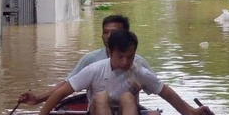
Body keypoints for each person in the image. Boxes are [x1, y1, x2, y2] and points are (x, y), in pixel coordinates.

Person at [27, 29, 211, 115]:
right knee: (100, 97)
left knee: (127, 97)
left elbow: (168, 94)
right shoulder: (95, 69)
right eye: (120, 56)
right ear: (110, 52)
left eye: (129, 57)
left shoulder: (139, 71)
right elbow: (61, 93)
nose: (125, 62)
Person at [18, 14, 149, 106]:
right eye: (105, 32)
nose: (109, 37)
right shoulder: (91, 60)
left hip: (128, 111)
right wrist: (37, 99)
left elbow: (156, 87)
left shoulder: (138, 63)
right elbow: (66, 86)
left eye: (114, 32)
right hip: (98, 113)